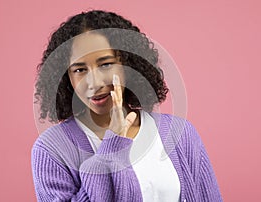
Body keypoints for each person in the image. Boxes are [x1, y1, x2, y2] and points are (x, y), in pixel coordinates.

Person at [32, 10, 222, 202]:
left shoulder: (180, 134)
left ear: (129, 65)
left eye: (105, 64)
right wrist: (112, 147)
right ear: (67, 77)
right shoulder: (51, 150)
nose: (94, 82)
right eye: (80, 69)